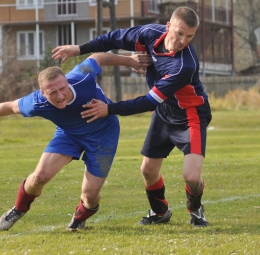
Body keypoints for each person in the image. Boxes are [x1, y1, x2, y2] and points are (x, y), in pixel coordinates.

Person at [52, 6, 212, 227]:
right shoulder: (149, 35)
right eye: (179, 33)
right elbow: (113, 39)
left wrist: (109, 109)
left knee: (192, 177)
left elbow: (148, 102)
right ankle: (160, 213)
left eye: (190, 36)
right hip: (164, 112)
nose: (183, 40)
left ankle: (195, 209)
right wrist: (79, 49)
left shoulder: (184, 65)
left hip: (190, 115)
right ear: (168, 27)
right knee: (147, 170)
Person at [0, 52, 152, 231]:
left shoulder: (82, 77)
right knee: (40, 176)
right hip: (69, 134)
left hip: (103, 134)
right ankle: (18, 209)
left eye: (62, 88)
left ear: (67, 82)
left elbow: (98, 57)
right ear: (43, 93)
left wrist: (129, 61)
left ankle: (79, 218)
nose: (60, 96)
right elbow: (9, 106)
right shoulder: (36, 103)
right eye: (52, 92)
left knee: (90, 195)